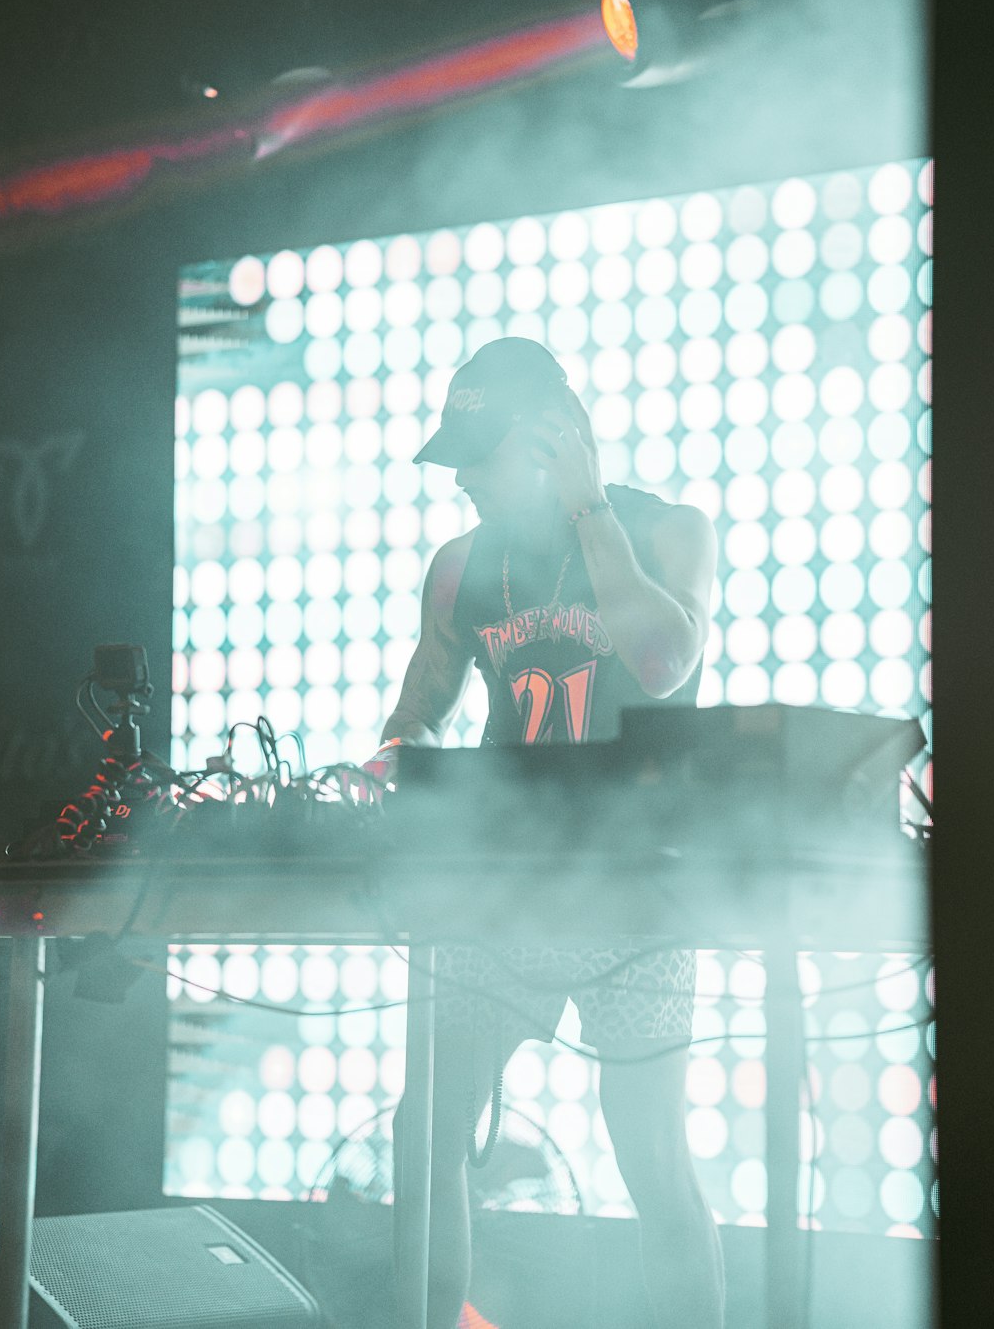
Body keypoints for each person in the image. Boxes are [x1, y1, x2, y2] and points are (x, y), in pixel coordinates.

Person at [371, 336, 722, 1329]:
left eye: (479, 457)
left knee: (652, 1154)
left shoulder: (671, 531)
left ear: (550, 438)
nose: (466, 482)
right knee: (426, 1127)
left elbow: (664, 664)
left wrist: (589, 507)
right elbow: (416, 717)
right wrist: (376, 771)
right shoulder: (459, 569)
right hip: (500, 886)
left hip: (635, 888)